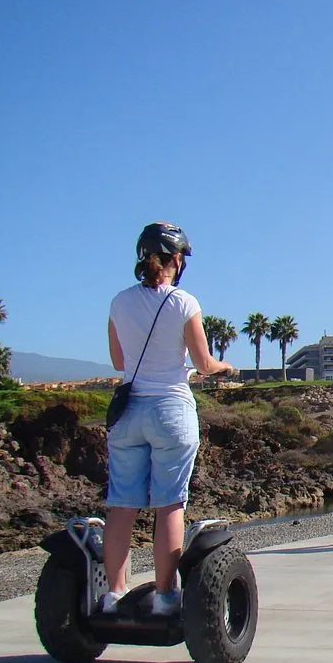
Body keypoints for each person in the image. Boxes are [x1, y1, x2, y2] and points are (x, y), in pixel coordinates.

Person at [103, 222, 234, 616]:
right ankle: (164, 597)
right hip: (171, 411)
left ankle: (112, 596)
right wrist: (222, 367)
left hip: (128, 415)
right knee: (169, 506)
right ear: (176, 261)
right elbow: (202, 363)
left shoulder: (118, 302)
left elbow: (119, 362)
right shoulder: (184, 303)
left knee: (121, 506)